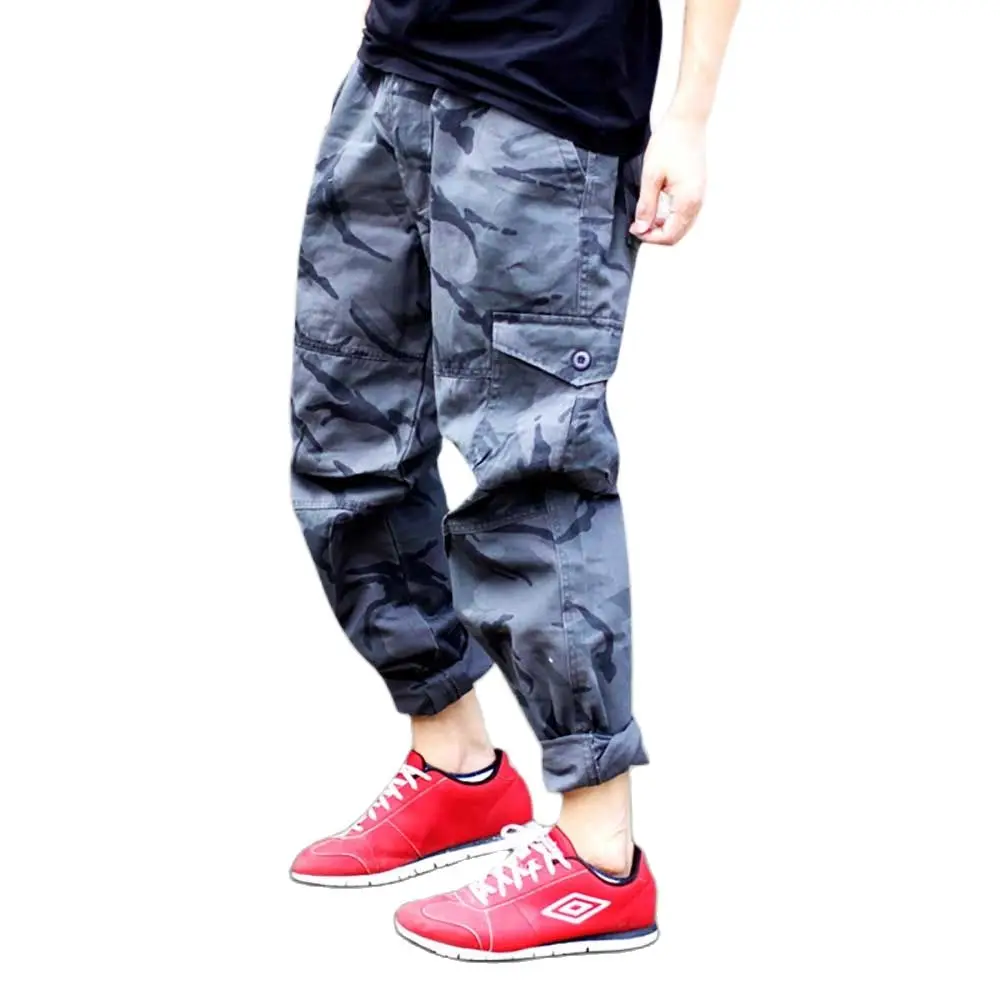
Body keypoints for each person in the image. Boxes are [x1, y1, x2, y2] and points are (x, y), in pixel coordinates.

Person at [288, 0, 740, 961]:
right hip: (394, 73)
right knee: (347, 443)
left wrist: (689, 117)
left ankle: (600, 855)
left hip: (546, 102)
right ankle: (456, 763)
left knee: (533, 474)